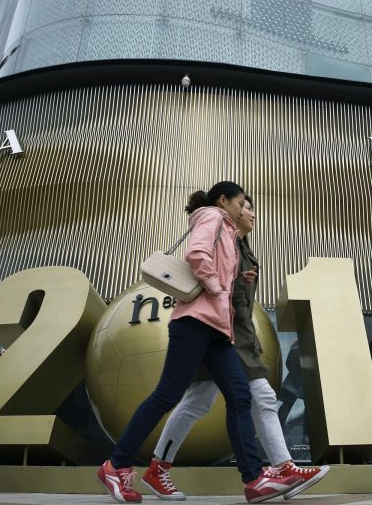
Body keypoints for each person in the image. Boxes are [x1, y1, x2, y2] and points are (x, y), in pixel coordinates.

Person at [97, 182, 302, 504]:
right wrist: (217, 287)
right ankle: (116, 465)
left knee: (239, 397)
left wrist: (234, 283)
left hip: (218, 331)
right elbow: (196, 254)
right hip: (194, 323)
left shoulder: (231, 234)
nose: (245, 208)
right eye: (241, 202)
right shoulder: (213, 216)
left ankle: (254, 479)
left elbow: (218, 269)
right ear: (225, 201)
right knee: (167, 395)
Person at [141, 196, 330, 501]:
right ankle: (282, 468)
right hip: (217, 332)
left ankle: (158, 467)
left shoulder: (243, 248)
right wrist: (227, 287)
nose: (252, 213)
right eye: (247, 206)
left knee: (200, 401)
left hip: (233, 334)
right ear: (230, 207)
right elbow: (205, 271)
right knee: (255, 397)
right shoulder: (220, 233)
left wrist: (242, 282)